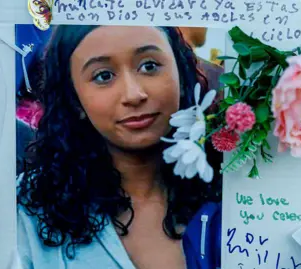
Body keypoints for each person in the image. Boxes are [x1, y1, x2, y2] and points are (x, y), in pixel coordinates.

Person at [16, 25, 223, 269]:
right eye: (103, 76)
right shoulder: (26, 210)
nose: (133, 95)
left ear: (182, 74)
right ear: (74, 100)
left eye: (149, 66)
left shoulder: (235, 185)